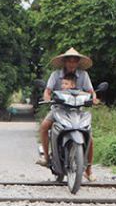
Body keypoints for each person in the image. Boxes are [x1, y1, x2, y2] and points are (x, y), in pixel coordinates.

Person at [36, 48, 98, 181]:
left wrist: (94, 98)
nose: (72, 64)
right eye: (69, 61)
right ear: (65, 62)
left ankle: (88, 169)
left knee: (89, 137)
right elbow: (47, 91)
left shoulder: (83, 75)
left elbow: (91, 91)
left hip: (77, 111)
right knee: (44, 126)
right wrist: (47, 98)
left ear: (78, 62)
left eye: (74, 61)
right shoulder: (55, 75)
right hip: (58, 109)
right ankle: (46, 157)